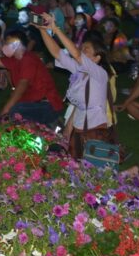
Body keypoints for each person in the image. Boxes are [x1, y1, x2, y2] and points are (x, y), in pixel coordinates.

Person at [32, 14, 111, 158]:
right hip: (79, 123)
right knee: (73, 161)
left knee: (92, 165)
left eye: (86, 49)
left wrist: (56, 29)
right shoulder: (79, 69)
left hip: (95, 126)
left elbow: (76, 54)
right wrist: (42, 30)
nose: (81, 50)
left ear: (96, 58)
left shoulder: (100, 73)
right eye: (82, 47)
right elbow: (57, 53)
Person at [0, 29, 63, 125]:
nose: (4, 46)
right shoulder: (13, 60)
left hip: (46, 105)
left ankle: (48, 126)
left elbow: (22, 85)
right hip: (32, 104)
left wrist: (5, 110)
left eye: (8, 43)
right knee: (14, 112)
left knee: (14, 112)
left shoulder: (28, 59)